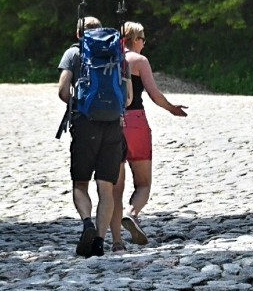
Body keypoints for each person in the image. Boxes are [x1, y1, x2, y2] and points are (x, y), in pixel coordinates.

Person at [58, 17, 132, 257]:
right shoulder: (118, 55)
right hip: (112, 125)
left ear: (79, 34)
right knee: (106, 187)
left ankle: (87, 223)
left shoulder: (74, 54)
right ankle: (100, 240)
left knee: (80, 182)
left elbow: (62, 90)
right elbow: (128, 98)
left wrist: (79, 105)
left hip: (85, 124)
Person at [110, 22, 188, 252]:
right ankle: (131, 214)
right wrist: (173, 108)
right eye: (143, 38)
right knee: (143, 183)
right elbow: (154, 94)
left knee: (116, 187)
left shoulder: (107, 60)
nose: (144, 43)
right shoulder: (139, 61)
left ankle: (117, 242)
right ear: (134, 39)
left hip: (111, 124)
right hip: (136, 123)